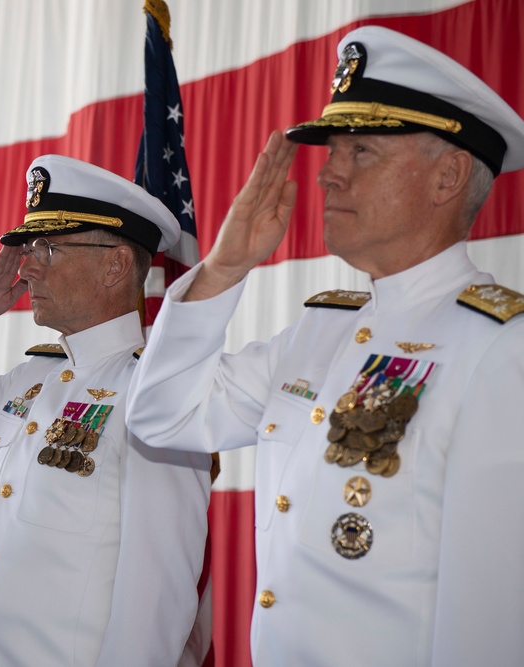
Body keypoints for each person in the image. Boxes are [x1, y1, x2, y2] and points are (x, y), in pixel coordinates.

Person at [127, 25, 524, 667]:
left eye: (361, 151)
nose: (327, 177)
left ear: (448, 176)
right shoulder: (322, 332)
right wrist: (223, 271)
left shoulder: (501, 351)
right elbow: (162, 415)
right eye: (332, 152)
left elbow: (488, 625)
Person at [0, 154, 212, 665]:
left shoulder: (155, 393)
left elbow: (156, 594)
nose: (26, 267)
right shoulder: (31, 380)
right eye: (29, 247)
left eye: (47, 248)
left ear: (116, 265)